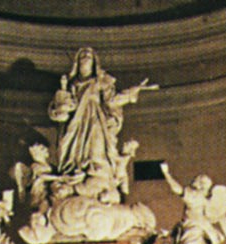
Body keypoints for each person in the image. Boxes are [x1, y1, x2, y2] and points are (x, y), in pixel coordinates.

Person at [49, 47, 156, 186]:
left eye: (89, 55)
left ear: (94, 62)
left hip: (95, 121)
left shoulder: (102, 81)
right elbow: (63, 106)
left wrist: (131, 93)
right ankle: (74, 174)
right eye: (83, 55)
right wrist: (62, 99)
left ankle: (96, 177)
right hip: (75, 124)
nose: (86, 57)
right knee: (71, 152)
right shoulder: (71, 84)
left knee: (96, 151)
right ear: (77, 62)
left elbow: (111, 100)